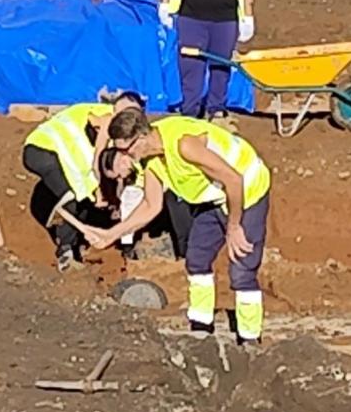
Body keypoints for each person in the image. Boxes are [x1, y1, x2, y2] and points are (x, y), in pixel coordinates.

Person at [88, 111, 272, 344]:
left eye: (126, 149)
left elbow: (234, 180)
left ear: (142, 137)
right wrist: (110, 234)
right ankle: (201, 330)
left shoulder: (184, 144)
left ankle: (249, 339)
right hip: (213, 198)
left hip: (247, 191)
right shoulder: (151, 159)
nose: (126, 156)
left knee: (242, 269)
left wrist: (234, 226)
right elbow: (150, 205)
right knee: (197, 258)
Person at [21, 91, 145, 271]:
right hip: (43, 151)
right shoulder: (105, 120)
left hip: (43, 150)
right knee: (74, 197)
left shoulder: (99, 119)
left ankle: (73, 244)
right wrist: (101, 194)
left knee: (81, 195)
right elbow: (93, 164)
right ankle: (66, 253)